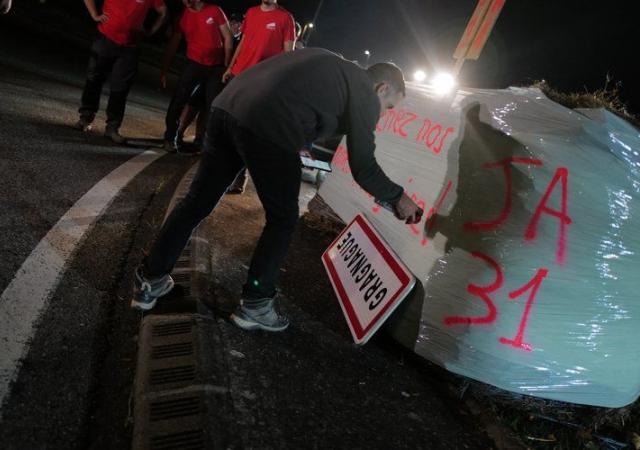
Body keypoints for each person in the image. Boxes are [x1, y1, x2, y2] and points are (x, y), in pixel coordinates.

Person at [131, 49, 423, 333]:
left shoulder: (331, 62)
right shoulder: (365, 90)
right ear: (382, 88)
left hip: (226, 109)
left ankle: (150, 280)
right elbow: (363, 166)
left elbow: (294, 93)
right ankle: (256, 304)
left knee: (198, 200)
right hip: (267, 124)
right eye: (389, 107)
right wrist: (398, 197)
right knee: (283, 218)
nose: (383, 115)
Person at [221, 0, 296, 194]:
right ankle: (218, 164)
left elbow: (289, 56)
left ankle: (240, 176)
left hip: (261, 80)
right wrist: (230, 67)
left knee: (247, 128)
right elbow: (244, 41)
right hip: (239, 73)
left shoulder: (285, 18)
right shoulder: (252, 12)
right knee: (226, 119)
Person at [76, 0, 167, 144]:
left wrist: (150, 31)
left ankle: (112, 128)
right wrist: (94, 14)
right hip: (105, 38)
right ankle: (85, 117)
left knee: (121, 88)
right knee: (94, 78)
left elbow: (163, 12)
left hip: (130, 47)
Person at [161, 0, 233, 153]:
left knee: (213, 106)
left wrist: (227, 65)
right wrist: (164, 69)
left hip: (215, 68)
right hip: (193, 64)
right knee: (179, 100)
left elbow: (227, 37)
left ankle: (205, 142)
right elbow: (174, 43)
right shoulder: (183, 16)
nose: (185, 1)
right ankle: (170, 137)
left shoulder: (215, 10)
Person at [176, 13, 242, 149]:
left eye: (239, 24)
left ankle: (199, 137)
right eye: (234, 23)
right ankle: (179, 132)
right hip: (211, 71)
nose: (237, 27)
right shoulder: (222, 35)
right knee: (194, 103)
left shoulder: (239, 41)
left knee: (208, 107)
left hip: (221, 77)